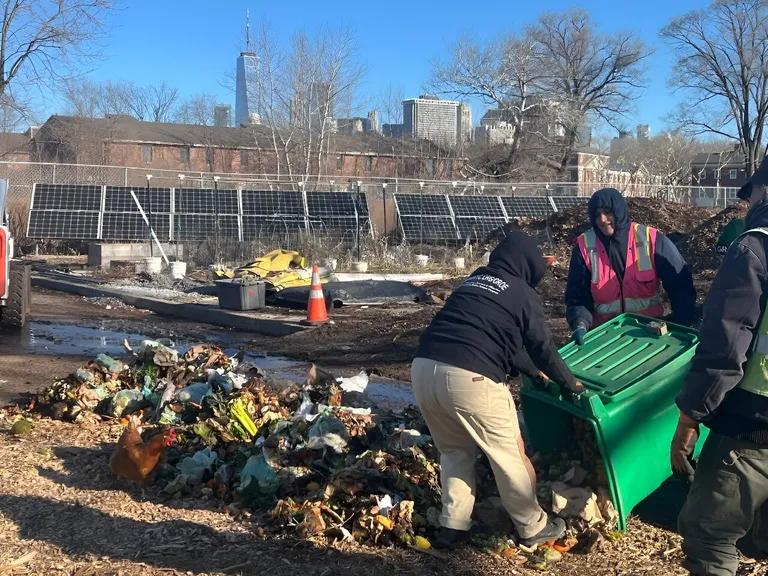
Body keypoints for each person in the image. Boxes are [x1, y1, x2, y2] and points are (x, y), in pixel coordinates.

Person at [411, 229, 581, 549]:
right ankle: (533, 526)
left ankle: (453, 526)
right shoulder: (521, 292)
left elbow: (502, 341)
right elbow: (542, 346)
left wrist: (533, 373)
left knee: (454, 452)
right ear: (529, 265)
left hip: (424, 369)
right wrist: (568, 383)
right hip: (470, 379)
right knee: (508, 455)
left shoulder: (475, 281)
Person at [672, 156, 768, 576]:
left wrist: (691, 415)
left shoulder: (756, 246)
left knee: (711, 536)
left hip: (753, 424)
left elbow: (726, 345)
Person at [565, 188, 696, 345]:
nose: (602, 219)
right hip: (604, 336)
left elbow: (681, 286)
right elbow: (577, 297)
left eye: (608, 212)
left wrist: (680, 324)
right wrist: (579, 323)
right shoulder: (584, 246)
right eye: (597, 214)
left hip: (650, 334)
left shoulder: (651, 239)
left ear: (619, 212)